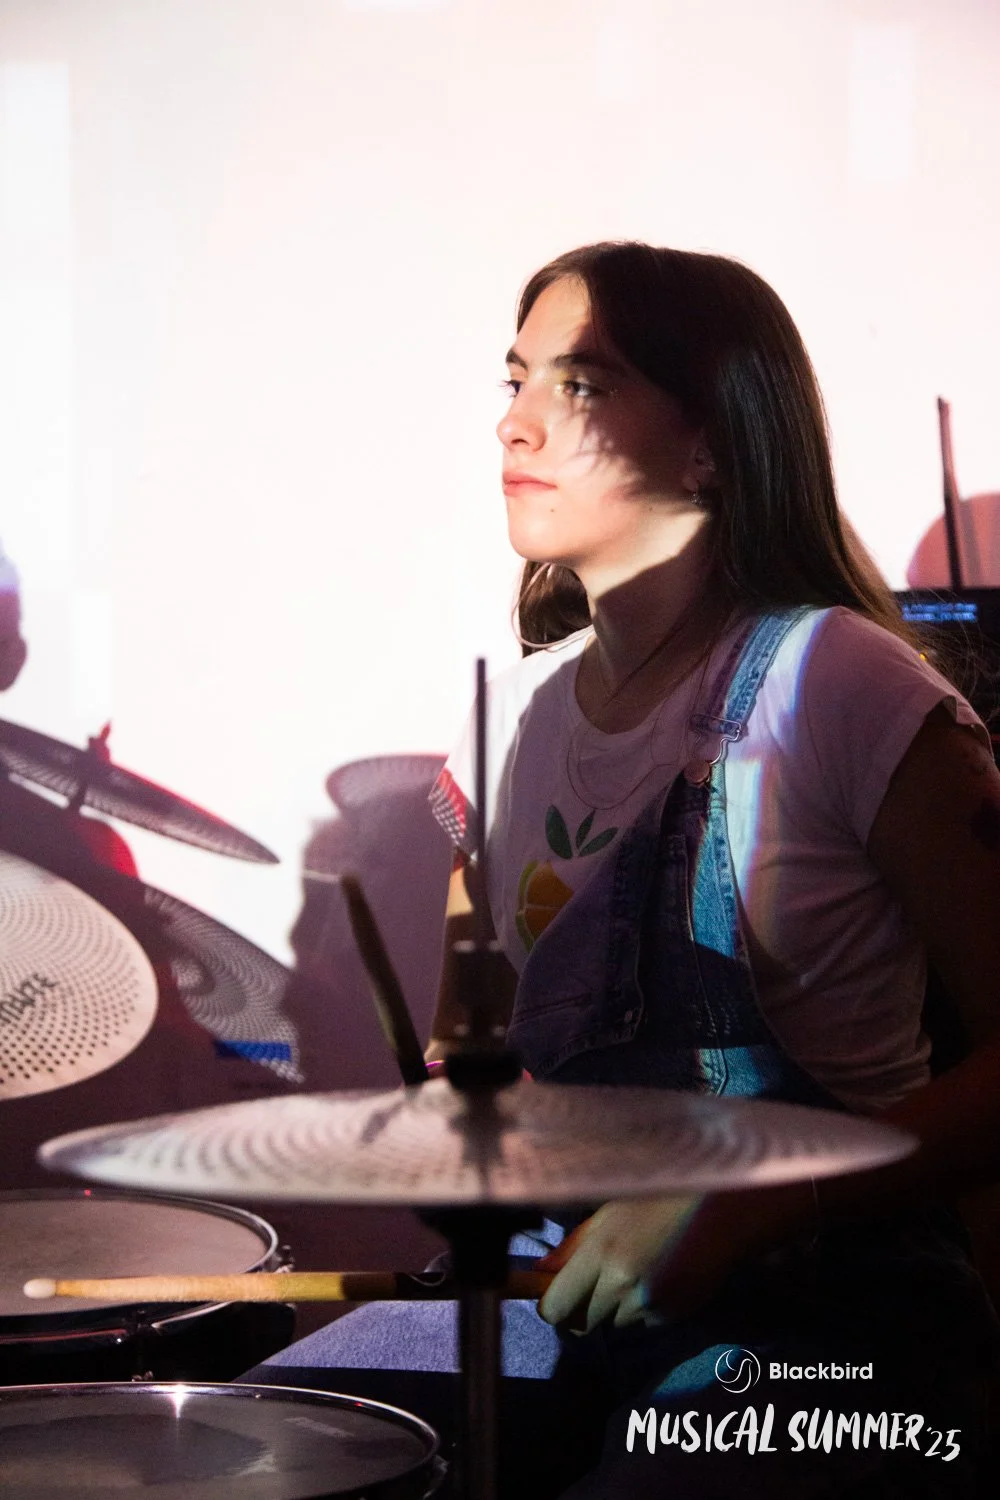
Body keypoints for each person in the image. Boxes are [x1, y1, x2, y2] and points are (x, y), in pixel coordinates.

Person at [244, 242, 1000, 1497]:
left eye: (582, 385)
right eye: (516, 379)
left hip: (825, 1323)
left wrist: (744, 1207)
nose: (516, 421)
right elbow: (499, 1052)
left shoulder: (835, 683)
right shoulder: (515, 721)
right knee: (265, 1444)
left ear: (710, 443)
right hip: (581, 1295)